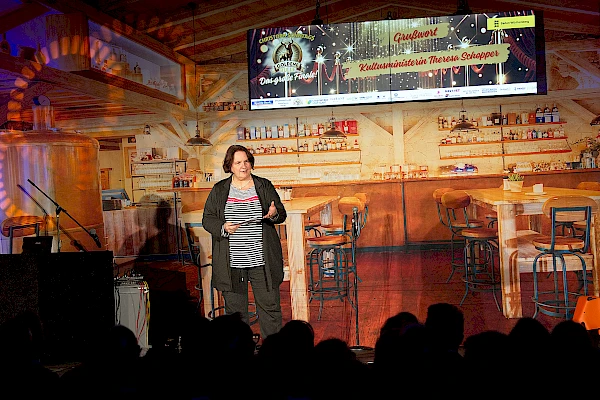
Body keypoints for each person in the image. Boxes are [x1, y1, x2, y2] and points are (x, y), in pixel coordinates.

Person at [202, 144, 287, 341]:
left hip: (262, 260)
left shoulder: (263, 185)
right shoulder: (219, 190)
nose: (243, 166)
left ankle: (273, 351)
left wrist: (274, 214)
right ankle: (240, 353)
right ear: (230, 166)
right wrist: (223, 227)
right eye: (238, 162)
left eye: (246, 161)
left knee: (270, 308)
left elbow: (280, 213)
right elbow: (208, 219)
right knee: (235, 315)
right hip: (232, 262)